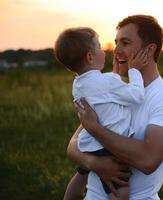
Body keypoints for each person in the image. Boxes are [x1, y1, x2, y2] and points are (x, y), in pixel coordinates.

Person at [67, 15, 163, 200]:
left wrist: (96, 129)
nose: (116, 51)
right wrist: (93, 162)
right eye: (116, 43)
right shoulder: (111, 89)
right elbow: (74, 145)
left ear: (149, 50)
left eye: (125, 43)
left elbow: (148, 160)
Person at [54, 27, 148, 200]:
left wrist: (114, 76)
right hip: (108, 145)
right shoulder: (107, 81)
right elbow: (136, 95)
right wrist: (134, 70)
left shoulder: (78, 84)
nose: (105, 51)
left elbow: (102, 97)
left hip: (90, 143)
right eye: (99, 47)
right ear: (90, 57)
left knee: (81, 176)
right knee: (119, 190)